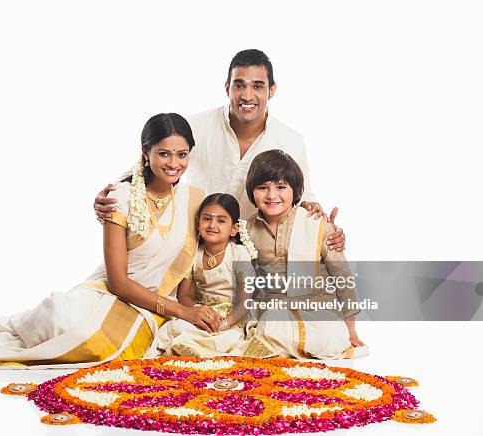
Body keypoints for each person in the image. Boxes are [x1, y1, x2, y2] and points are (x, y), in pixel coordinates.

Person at [0, 113, 225, 369]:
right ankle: (11, 324)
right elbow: (118, 282)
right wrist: (182, 311)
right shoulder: (120, 197)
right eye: (164, 154)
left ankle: (18, 324)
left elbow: (186, 264)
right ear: (145, 152)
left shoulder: (195, 200)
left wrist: (187, 308)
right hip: (112, 291)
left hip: (154, 304)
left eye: (181, 154)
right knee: (64, 316)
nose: (174, 163)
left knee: (100, 346)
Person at [94, 49, 345, 251]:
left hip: (255, 252)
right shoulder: (196, 126)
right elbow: (151, 163)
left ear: (272, 90)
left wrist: (327, 235)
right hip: (193, 241)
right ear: (227, 88)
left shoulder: (291, 140)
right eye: (239, 85)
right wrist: (114, 192)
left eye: (257, 86)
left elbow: (302, 198)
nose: (247, 95)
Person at [241, 150, 368, 360]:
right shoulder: (246, 229)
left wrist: (351, 331)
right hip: (274, 311)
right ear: (251, 191)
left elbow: (343, 278)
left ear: (296, 189)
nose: (272, 195)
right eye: (262, 188)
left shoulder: (316, 224)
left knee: (331, 338)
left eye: (281, 187)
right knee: (269, 330)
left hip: (317, 308)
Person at [157, 193, 257, 357]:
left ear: (234, 229)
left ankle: (208, 351)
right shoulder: (193, 253)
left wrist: (224, 324)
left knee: (225, 339)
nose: (212, 225)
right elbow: (184, 295)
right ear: (198, 223)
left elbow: (245, 303)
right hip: (202, 312)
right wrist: (198, 312)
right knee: (177, 328)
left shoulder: (239, 254)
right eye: (207, 219)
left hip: (232, 316)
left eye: (221, 220)